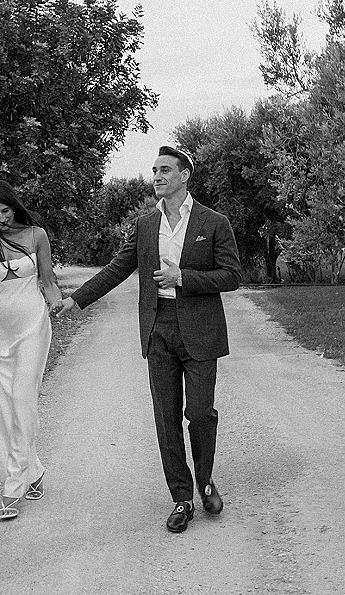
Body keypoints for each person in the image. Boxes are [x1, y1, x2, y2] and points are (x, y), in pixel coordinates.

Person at [56, 146, 241, 533]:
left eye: (165, 170)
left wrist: (183, 278)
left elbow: (231, 276)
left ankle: (205, 480)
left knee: (200, 413)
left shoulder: (213, 222)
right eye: (154, 170)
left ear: (185, 175)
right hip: (158, 329)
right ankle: (182, 498)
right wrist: (78, 298)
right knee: (166, 418)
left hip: (201, 330)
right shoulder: (144, 225)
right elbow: (117, 268)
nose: (156, 176)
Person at [0, 179, 61, 520]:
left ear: (14, 205)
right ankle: (34, 470)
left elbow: (48, 281)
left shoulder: (36, 235)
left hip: (33, 327)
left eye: (5, 210)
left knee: (23, 397)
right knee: (7, 405)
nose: (2, 219)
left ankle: (13, 483)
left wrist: (63, 304)